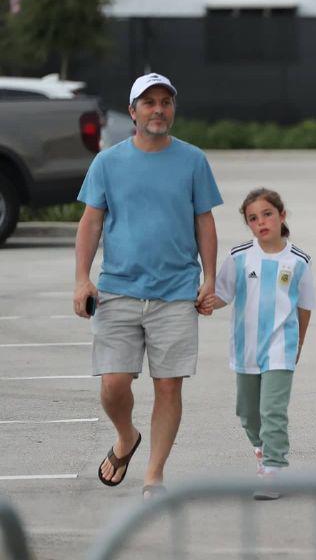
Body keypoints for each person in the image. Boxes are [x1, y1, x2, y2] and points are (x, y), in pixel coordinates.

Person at [73, 73, 222, 498]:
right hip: (118, 288)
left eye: (165, 102)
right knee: (113, 384)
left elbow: (204, 222)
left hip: (175, 292)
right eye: (149, 102)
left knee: (168, 386)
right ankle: (126, 436)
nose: (159, 109)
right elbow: (91, 223)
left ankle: (154, 475)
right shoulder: (108, 162)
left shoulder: (192, 160)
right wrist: (82, 279)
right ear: (133, 111)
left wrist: (209, 278)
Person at [204, 188, 316, 501]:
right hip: (246, 348)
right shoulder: (239, 257)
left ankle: (273, 470)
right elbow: (223, 295)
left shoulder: (299, 261)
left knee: (272, 411)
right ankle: (261, 449)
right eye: (253, 218)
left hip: (281, 348)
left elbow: (304, 307)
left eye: (267, 214)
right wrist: (208, 302)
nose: (261, 222)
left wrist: (298, 345)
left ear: (282, 216)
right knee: (247, 411)